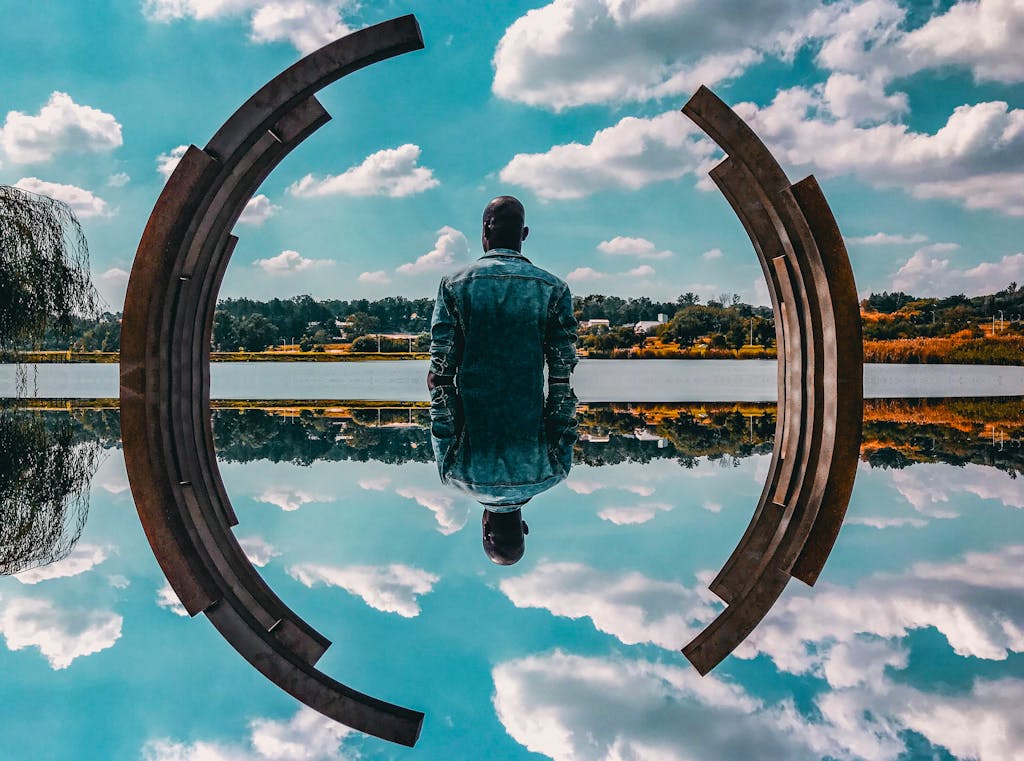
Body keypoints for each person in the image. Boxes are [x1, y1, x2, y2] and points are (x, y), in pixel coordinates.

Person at [427, 195, 579, 564]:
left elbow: (441, 365)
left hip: (471, 394)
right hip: (530, 394)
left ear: (484, 231)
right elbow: (562, 367)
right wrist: (559, 389)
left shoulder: (454, 284)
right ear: (524, 234)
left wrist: (439, 384)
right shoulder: (553, 288)